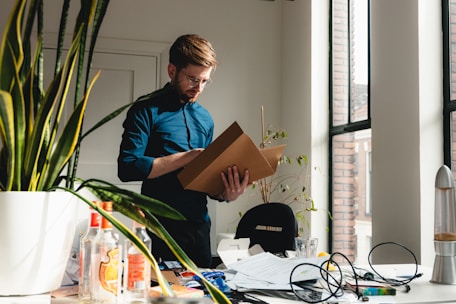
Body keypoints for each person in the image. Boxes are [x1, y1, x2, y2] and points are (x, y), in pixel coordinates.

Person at [117, 34, 250, 268]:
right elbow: (127, 166)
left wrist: (226, 194)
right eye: (192, 79)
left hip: (199, 230)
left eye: (204, 81)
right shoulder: (145, 110)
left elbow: (205, 182)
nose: (198, 88)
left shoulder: (205, 119)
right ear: (172, 71)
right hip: (158, 229)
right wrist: (187, 158)